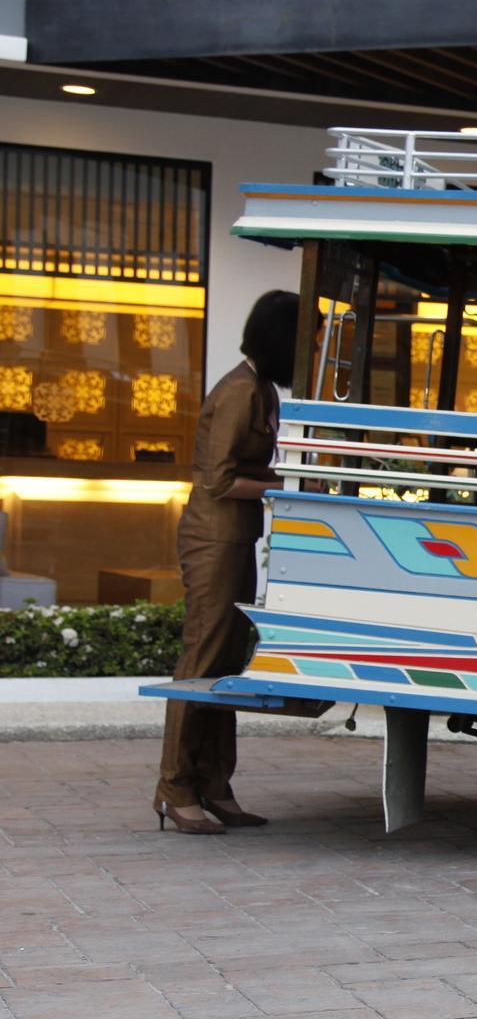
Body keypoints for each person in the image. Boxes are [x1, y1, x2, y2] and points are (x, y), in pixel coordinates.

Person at [155, 290, 300, 834]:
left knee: (226, 665)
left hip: (236, 539)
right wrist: (284, 486)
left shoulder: (261, 389)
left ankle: (215, 783)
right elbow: (217, 480)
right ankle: (174, 787)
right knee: (203, 660)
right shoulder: (240, 391)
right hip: (212, 539)